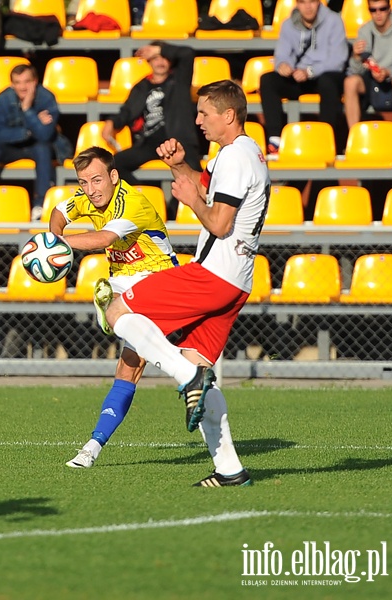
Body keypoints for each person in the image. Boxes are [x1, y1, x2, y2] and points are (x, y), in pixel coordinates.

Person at [104, 80, 268, 487]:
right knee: (199, 364)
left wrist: (190, 200)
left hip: (214, 274)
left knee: (118, 309)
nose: (197, 121)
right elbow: (207, 186)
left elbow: (218, 221)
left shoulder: (235, 156)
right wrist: (179, 165)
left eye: (204, 114)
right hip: (236, 280)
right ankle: (230, 469)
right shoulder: (240, 153)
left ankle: (185, 375)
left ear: (228, 115)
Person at [49, 146, 178, 469]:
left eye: (96, 180)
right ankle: (91, 449)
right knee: (128, 370)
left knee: (179, 363)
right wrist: (53, 234)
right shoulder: (86, 197)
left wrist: (55, 247)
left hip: (158, 282)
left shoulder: (131, 203)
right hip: (126, 283)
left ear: (114, 176)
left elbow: (103, 239)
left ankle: (112, 310)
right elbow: (59, 211)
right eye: (83, 182)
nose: (91, 190)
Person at [102, 42, 201, 186]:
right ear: (149, 61)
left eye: (164, 57)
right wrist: (111, 122)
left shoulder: (179, 80)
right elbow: (127, 112)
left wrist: (157, 49)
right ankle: (145, 197)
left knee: (193, 176)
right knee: (114, 165)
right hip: (150, 143)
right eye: (155, 58)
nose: (160, 62)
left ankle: (174, 208)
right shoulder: (141, 87)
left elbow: (187, 53)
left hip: (179, 142)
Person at [259, 0, 348, 154]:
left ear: (319, 3)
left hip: (323, 74)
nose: (307, 6)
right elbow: (281, 54)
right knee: (267, 80)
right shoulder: (288, 24)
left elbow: (338, 60)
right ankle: (275, 139)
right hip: (298, 75)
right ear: (297, 4)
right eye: (302, 2)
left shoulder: (334, 21)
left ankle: (326, 139)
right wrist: (283, 65)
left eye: (312, 1)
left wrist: (310, 71)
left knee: (329, 83)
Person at [0, 63, 60, 221]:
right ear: (12, 84)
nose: (22, 87)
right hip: (10, 147)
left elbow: (45, 135)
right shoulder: (4, 98)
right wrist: (29, 129)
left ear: (35, 81)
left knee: (43, 150)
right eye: (17, 83)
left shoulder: (46, 97)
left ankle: (40, 204)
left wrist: (27, 109)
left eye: (27, 81)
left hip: (36, 146)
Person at [344, 0, 392, 128]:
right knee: (350, 82)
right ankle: (354, 139)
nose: (378, 14)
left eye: (382, 9)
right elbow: (354, 70)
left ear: (389, 9)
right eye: (373, 10)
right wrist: (356, 57)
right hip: (372, 78)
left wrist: (388, 72)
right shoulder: (365, 30)